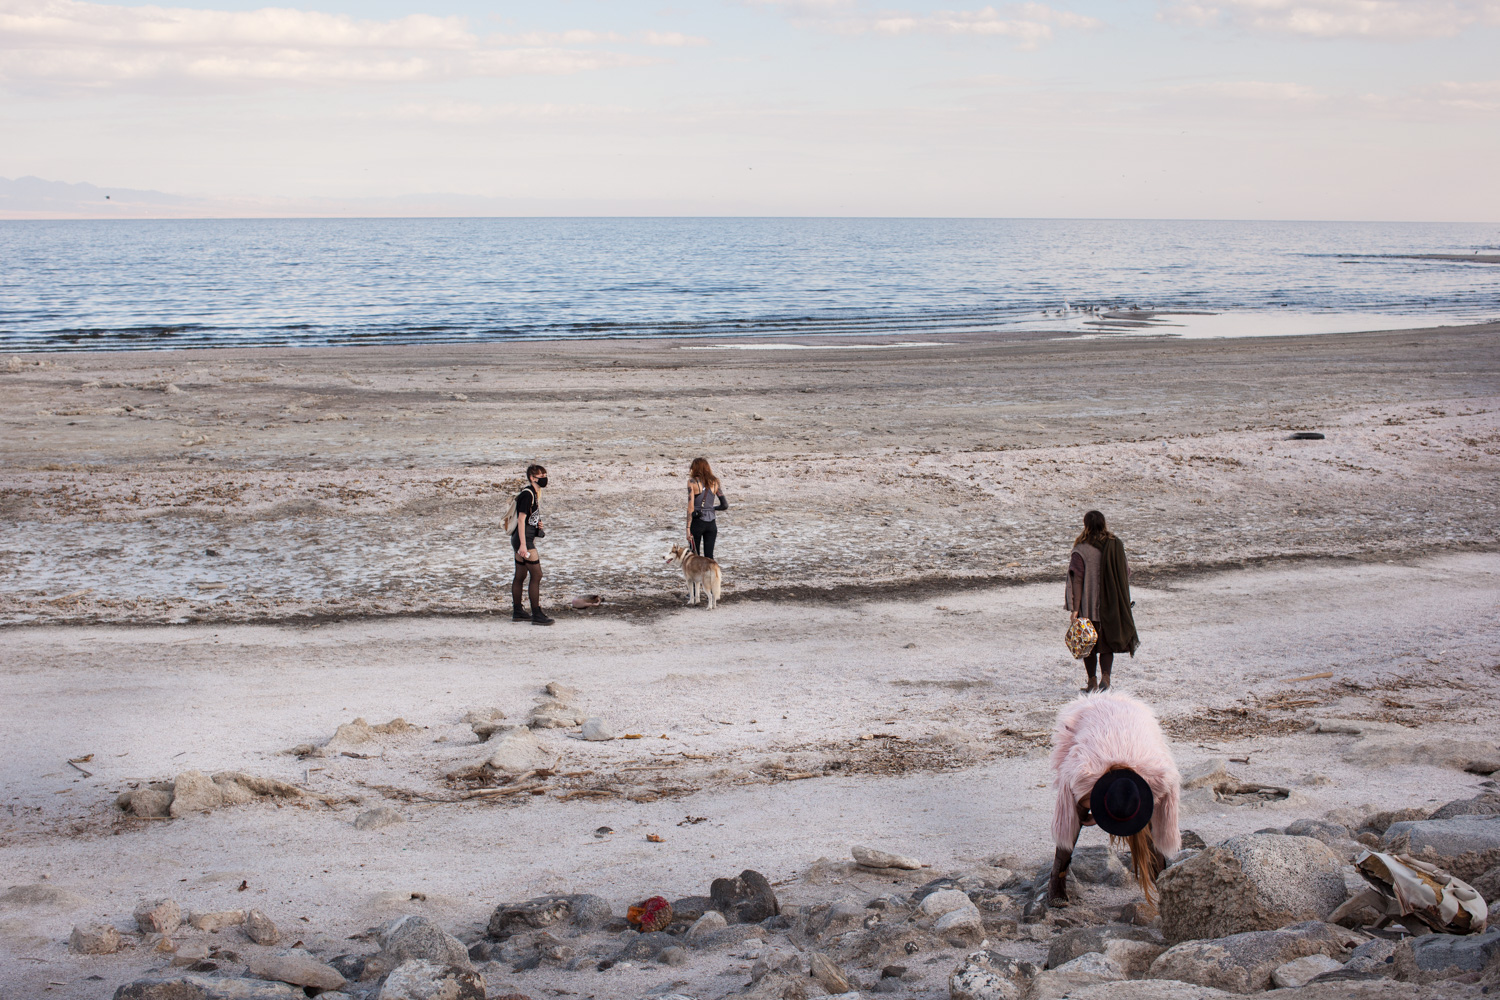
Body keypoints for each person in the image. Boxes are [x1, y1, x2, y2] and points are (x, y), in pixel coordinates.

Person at [1048, 691, 1181, 908]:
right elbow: (1065, 815)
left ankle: (1161, 880)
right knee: (1073, 820)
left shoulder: (1160, 776)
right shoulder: (1082, 773)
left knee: (1150, 827)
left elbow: (1164, 825)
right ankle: (1057, 879)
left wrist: (1105, 814)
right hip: (1089, 714)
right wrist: (1089, 814)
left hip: (1135, 718)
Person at [1064, 509, 1138, 692]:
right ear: (1103, 523)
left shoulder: (1081, 549)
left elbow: (1077, 580)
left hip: (1087, 606)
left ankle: (1092, 682)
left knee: (1087, 645)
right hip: (1111, 605)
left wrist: (1074, 608)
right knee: (1105, 645)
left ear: (1086, 525)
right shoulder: (1115, 544)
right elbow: (1126, 572)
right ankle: (1106, 678)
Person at [510, 464, 553, 626]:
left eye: (544, 474)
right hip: (523, 540)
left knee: (520, 575)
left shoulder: (535, 494)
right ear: (531, 478)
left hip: (524, 538)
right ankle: (536, 613)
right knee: (537, 575)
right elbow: (521, 520)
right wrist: (522, 545)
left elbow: (528, 519)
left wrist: (537, 525)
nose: (543, 477)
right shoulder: (527, 494)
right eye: (540, 475)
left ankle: (518, 611)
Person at [686, 457, 727, 559]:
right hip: (711, 523)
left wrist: (687, 528)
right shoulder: (715, 482)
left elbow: (690, 507)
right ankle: (712, 575)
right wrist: (712, 508)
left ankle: (697, 575)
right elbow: (724, 505)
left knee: (695, 557)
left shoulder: (692, 482)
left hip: (697, 522)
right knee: (709, 557)